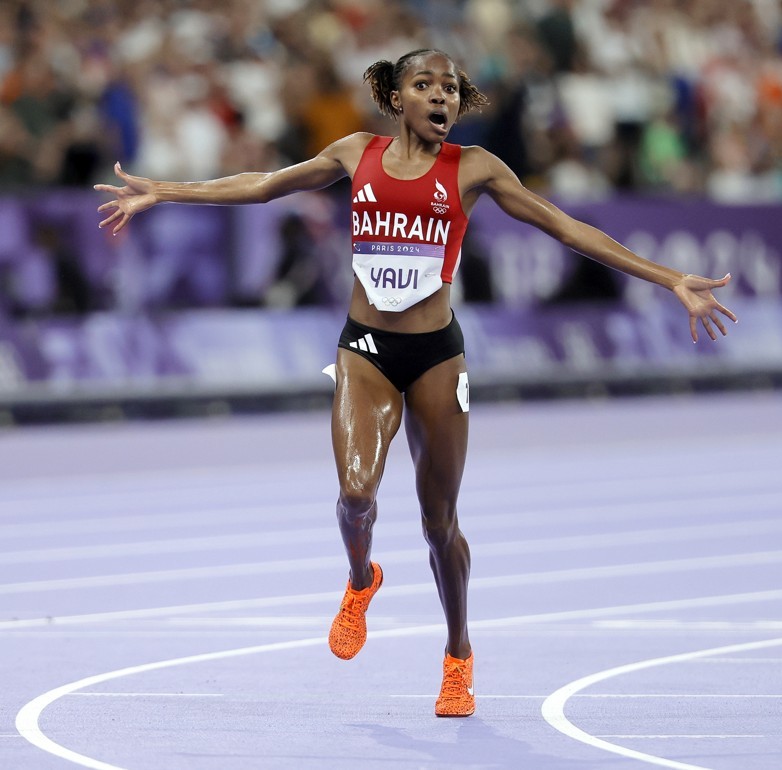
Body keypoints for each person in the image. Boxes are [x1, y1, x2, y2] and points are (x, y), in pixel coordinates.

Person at [94, 48, 736, 716]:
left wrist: (669, 279)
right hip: (365, 350)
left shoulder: (475, 170)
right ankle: (360, 577)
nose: (441, 97)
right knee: (354, 497)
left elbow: (565, 227)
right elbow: (262, 183)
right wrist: (165, 190)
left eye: (451, 88)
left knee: (440, 525)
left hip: (436, 355)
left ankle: (458, 654)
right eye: (425, 85)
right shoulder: (354, 153)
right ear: (397, 98)